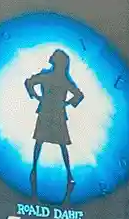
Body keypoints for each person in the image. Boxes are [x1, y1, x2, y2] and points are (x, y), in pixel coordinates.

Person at [24, 48, 86, 201]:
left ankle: (42, 172)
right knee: (48, 143)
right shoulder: (56, 78)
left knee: (52, 143)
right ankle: (36, 171)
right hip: (51, 113)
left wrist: (37, 96)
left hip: (52, 114)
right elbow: (29, 82)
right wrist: (36, 96)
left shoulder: (54, 78)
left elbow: (78, 95)